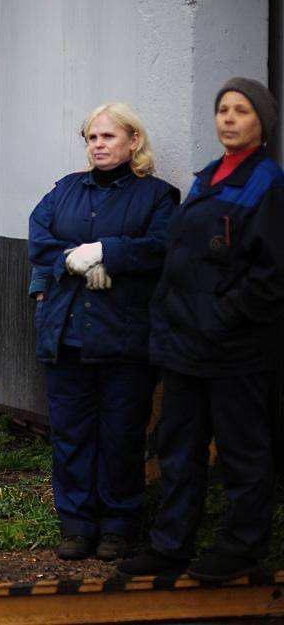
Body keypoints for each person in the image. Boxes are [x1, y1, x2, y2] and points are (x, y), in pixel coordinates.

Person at [120, 78, 284, 582]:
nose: (229, 118)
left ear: (262, 123)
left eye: (241, 111)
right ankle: (171, 545)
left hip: (236, 351)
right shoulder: (209, 178)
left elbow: (271, 276)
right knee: (178, 450)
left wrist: (220, 318)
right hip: (185, 347)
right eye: (223, 110)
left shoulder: (267, 185)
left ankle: (241, 548)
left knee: (242, 452)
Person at [28, 103, 178, 561]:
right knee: (71, 436)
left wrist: (106, 252)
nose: (99, 146)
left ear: (133, 142)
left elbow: (162, 246)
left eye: (108, 137)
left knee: (121, 436)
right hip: (67, 335)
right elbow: (39, 236)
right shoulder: (65, 190)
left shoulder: (157, 196)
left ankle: (117, 526)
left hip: (125, 340)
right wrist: (72, 260)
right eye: (92, 138)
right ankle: (76, 525)